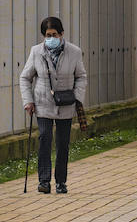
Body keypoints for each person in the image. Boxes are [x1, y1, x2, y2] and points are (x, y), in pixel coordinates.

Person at [20, 16, 88, 194]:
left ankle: (61, 181)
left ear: (62, 34)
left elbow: (81, 76)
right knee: (44, 138)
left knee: (63, 143)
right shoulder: (36, 52)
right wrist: (28, 101)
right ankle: (44, 181)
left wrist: (77, 96)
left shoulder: (74, 52)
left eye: (54, 34)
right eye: (47, 35)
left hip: (65, 104)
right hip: (43, 103)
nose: (51, 38)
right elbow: (25, 77)